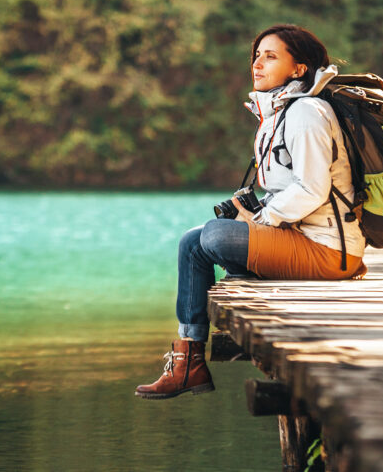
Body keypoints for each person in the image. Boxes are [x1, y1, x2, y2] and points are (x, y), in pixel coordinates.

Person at [135, 24, 366, 399]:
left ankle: (190, 362)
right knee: (192, 240)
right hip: (300, 239)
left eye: (270, 56)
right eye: (256, 55)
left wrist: (259, 220)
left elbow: (312, 189)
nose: (257, 63)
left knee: (214, 236)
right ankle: (187, 357)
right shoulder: (279, 113)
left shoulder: (307, 112)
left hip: (329, 252)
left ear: (298, 69)